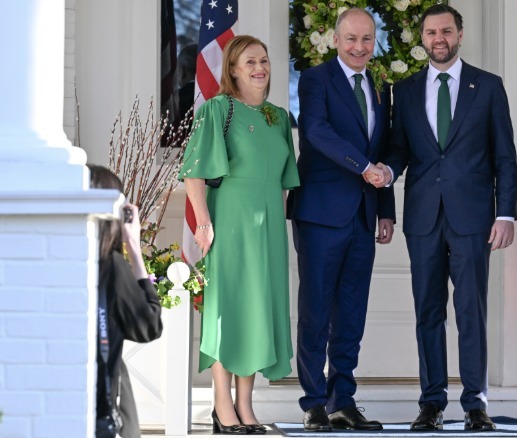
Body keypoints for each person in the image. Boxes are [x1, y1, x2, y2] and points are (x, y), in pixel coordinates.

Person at [376, 4, 517, 432]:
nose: (439, 39)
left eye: (446, 31)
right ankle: (432, 403)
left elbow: (505, 157)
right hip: (423, 218)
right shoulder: (405, 90)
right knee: (428, 312)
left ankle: (476, 404)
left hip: (474, 218)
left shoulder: (489, 87)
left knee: (471, 312)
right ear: (422, 38)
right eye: (431, 32)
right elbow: (399, 149)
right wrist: (387, 171)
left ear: (460, 34)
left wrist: (507, 213)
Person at [179, 35, 300, 435]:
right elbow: (195, 172)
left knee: (257, 310)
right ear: (232, 69)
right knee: (227, 309)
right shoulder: (217, 109)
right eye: (249, 62)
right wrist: (203, 222)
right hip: (228, 221)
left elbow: (285, 181)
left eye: (263, 60)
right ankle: (221, 406)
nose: (259, 68)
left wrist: (273, 221)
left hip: (267, 227)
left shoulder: (279, 116)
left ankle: (246, 407)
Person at [285, 7, 396, 432]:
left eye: (367, 39)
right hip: (320, 211)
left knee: (351, 312)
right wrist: (362, 165)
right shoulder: (316, 80)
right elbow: (315, 131)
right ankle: (313, 403)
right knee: (315, 310)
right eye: (351, 38)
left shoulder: (381, 86)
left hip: (365, 215)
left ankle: (342, 399)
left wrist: (385, 208)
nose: (359, 47)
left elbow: (384, 147)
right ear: (335, 40)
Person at [91, 165, 163, 438]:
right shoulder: (110, 267)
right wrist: (134, 248)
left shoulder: (57, 258)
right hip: (103, 406)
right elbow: (149, 326)